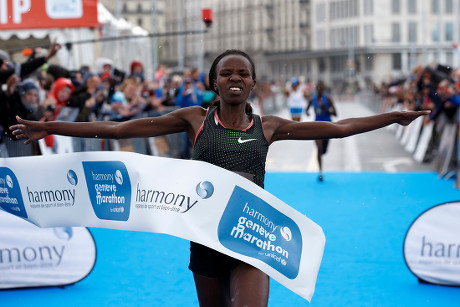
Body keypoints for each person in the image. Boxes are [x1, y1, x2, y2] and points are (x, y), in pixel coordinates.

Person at [10, 49, 429, 307]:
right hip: (206, 239)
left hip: (253, 236)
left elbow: (336, 128)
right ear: (214, 82)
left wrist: (394, 116)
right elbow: (121, 129)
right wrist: (51, 126)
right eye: (226, 73)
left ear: (252, 83)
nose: (234, 79)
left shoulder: (269, 126)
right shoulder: (194, 119)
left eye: (242, 73)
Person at [306, 81, 338, 181]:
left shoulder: (328, 98)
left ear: (324, 89)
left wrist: (326, 109)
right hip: (316, 127)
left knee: (324, 150)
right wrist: (306, 112)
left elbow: (335, 114)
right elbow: (306, 109)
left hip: (328, 126)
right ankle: (320, 172)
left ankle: (323, 151)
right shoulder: (313, 99)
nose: (320, 90)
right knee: (319, 149)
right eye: (318, 88)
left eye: (321, 88)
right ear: (316, 89)